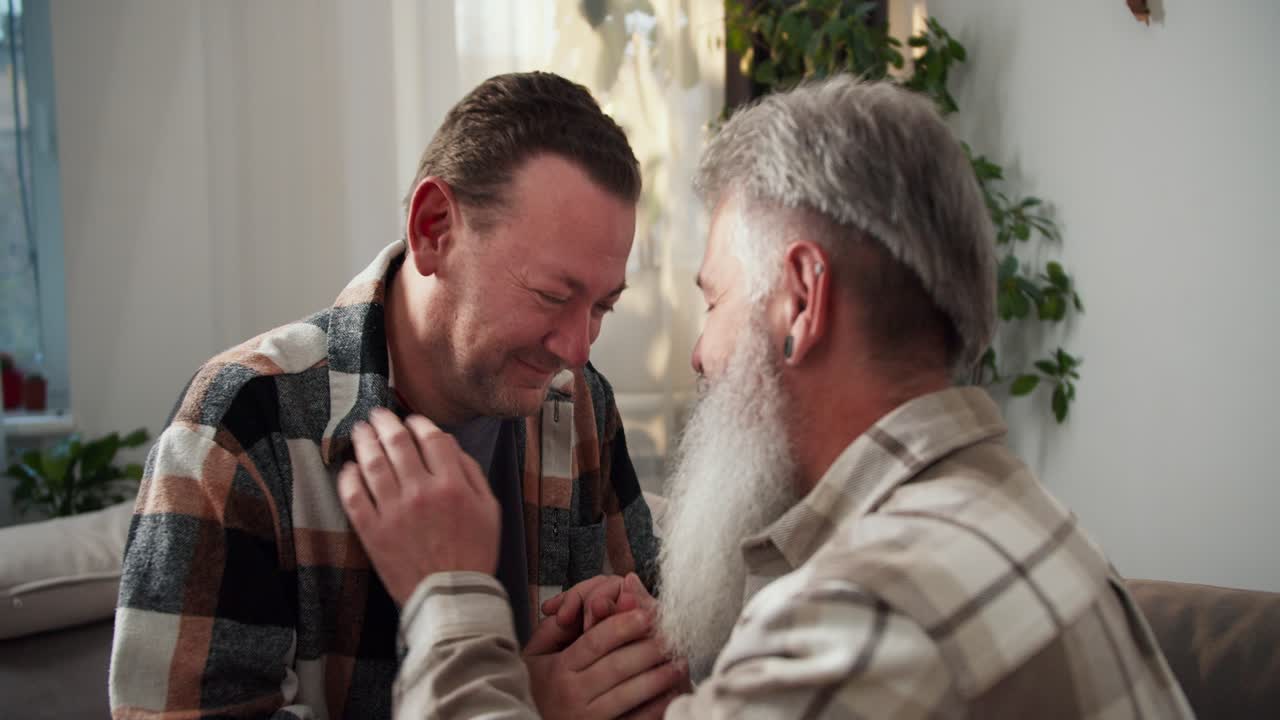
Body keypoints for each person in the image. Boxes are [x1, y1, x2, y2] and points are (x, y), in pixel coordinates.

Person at [339, 76, 1195, 718]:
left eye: (713, 301)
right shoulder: (1029, 519)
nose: (703, 357)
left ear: (799, 299)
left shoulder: (863, 620)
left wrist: (452, 594)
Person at [108, 71, 671, 719]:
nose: (577, 348)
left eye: (602, 306)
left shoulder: (580, 404)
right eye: (551, 295)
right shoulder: (236, 431)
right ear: (434, 230)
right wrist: (522, 703)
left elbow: (654, 648)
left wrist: (643, 650)